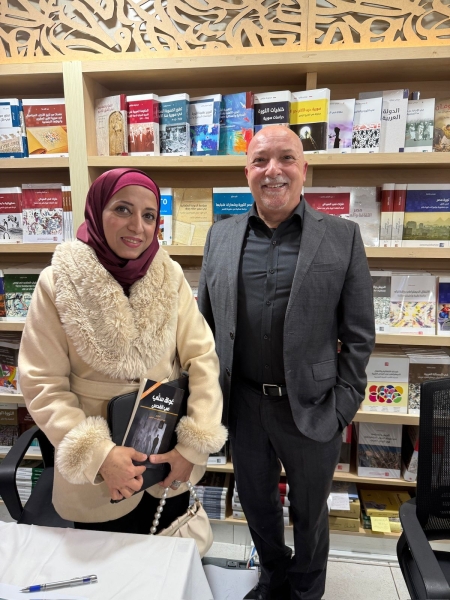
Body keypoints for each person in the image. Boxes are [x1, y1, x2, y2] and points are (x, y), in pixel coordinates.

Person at [198, 126, 375, 600]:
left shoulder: (342, 237)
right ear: (247, 172)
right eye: (260, 160)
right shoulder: (220, 235)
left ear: (304, 169)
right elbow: (203, 327)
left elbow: (359, 334)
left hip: (314, 406)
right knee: (257, 507)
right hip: (243, 406)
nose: (272, 170)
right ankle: (272, 579)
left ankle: (306, 590)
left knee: (310, 514)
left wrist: (342, 405)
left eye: (286, 158)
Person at [19, 167, 227, 533]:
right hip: (99, 478)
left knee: (166, 554)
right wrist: (99, 456)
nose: (137, 226)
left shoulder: (169, 275)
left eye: (149, 216)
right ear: (97, 211)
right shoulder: (58, 281)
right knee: (105, 562)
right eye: (122, 209)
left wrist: (192, 448)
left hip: (166, 457)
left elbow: (202, 359)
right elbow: (41, 383)